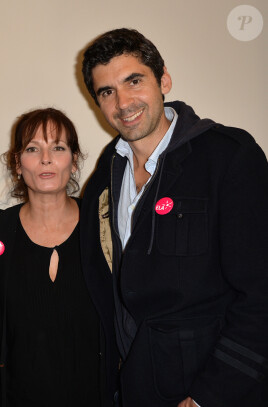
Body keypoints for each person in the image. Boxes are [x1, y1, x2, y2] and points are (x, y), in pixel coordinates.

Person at [80, 28, 268, 406]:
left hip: (211, 389)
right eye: (107, 91)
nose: (123, 102)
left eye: (134, 81)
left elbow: (260, 297)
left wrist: (206, 397)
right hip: (135, 387)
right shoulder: (106, 172)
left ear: (163, 78)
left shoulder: (227, 155)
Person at [0, 108, 118, 406]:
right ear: (17, 163)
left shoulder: (103, 226)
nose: (46, 159)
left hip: (95, 396)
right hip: (15, 398)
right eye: (33, 149)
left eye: (58, 147)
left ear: (74, 160)